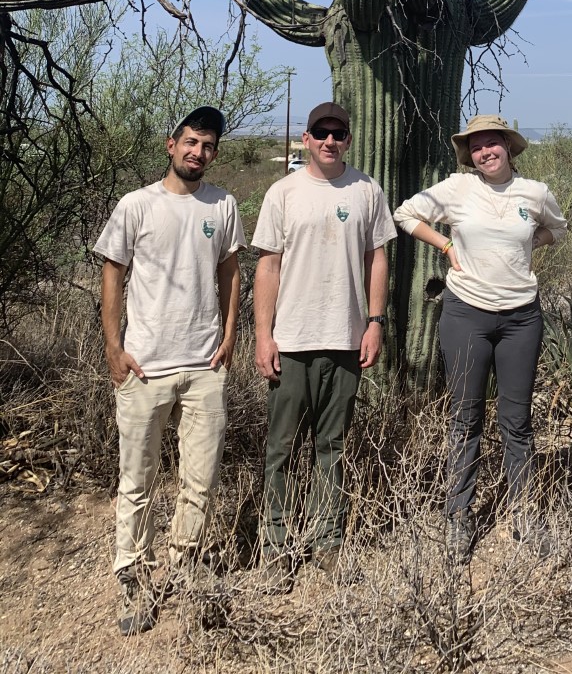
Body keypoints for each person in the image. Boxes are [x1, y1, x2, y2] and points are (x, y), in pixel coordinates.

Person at [95, 105, 244, 637]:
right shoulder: (136, 206)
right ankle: (133, 576)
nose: (197, 152)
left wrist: (230, 335)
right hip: (145, 365)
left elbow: (231, 273)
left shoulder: (222, 204)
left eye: (207, 146)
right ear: (170, 144)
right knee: (137, 481)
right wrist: (114, 348)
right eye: (190, 142)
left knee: (199, 480)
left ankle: (182, 567)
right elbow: (113, 273)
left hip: (205, 364)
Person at [393, 114, 566, 564]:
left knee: (517, 420)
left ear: (509, 147)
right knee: (465, 417)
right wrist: (446, 247)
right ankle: (459, 515)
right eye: (477, 147)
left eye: (493, 144)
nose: (486, 152)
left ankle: (525, 513)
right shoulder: (456, 189)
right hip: (466, 312)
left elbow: (558, 228)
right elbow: (406, 214)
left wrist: (529, 247)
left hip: (521, 317)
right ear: (468, 154)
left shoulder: (535, 193)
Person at [252, 101, 394, 590]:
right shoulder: (283, 192)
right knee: (281, 447)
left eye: (338, 133)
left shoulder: (366, 190)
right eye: (321, 132)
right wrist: (262, 334)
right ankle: (275, 542)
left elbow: (377, 259)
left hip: (345, 337)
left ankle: (326, 540)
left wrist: (375, 322)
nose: (330, 141)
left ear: (348, 140)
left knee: (331, 446)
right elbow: (267, 266)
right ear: (307, 139)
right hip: (291, 339)